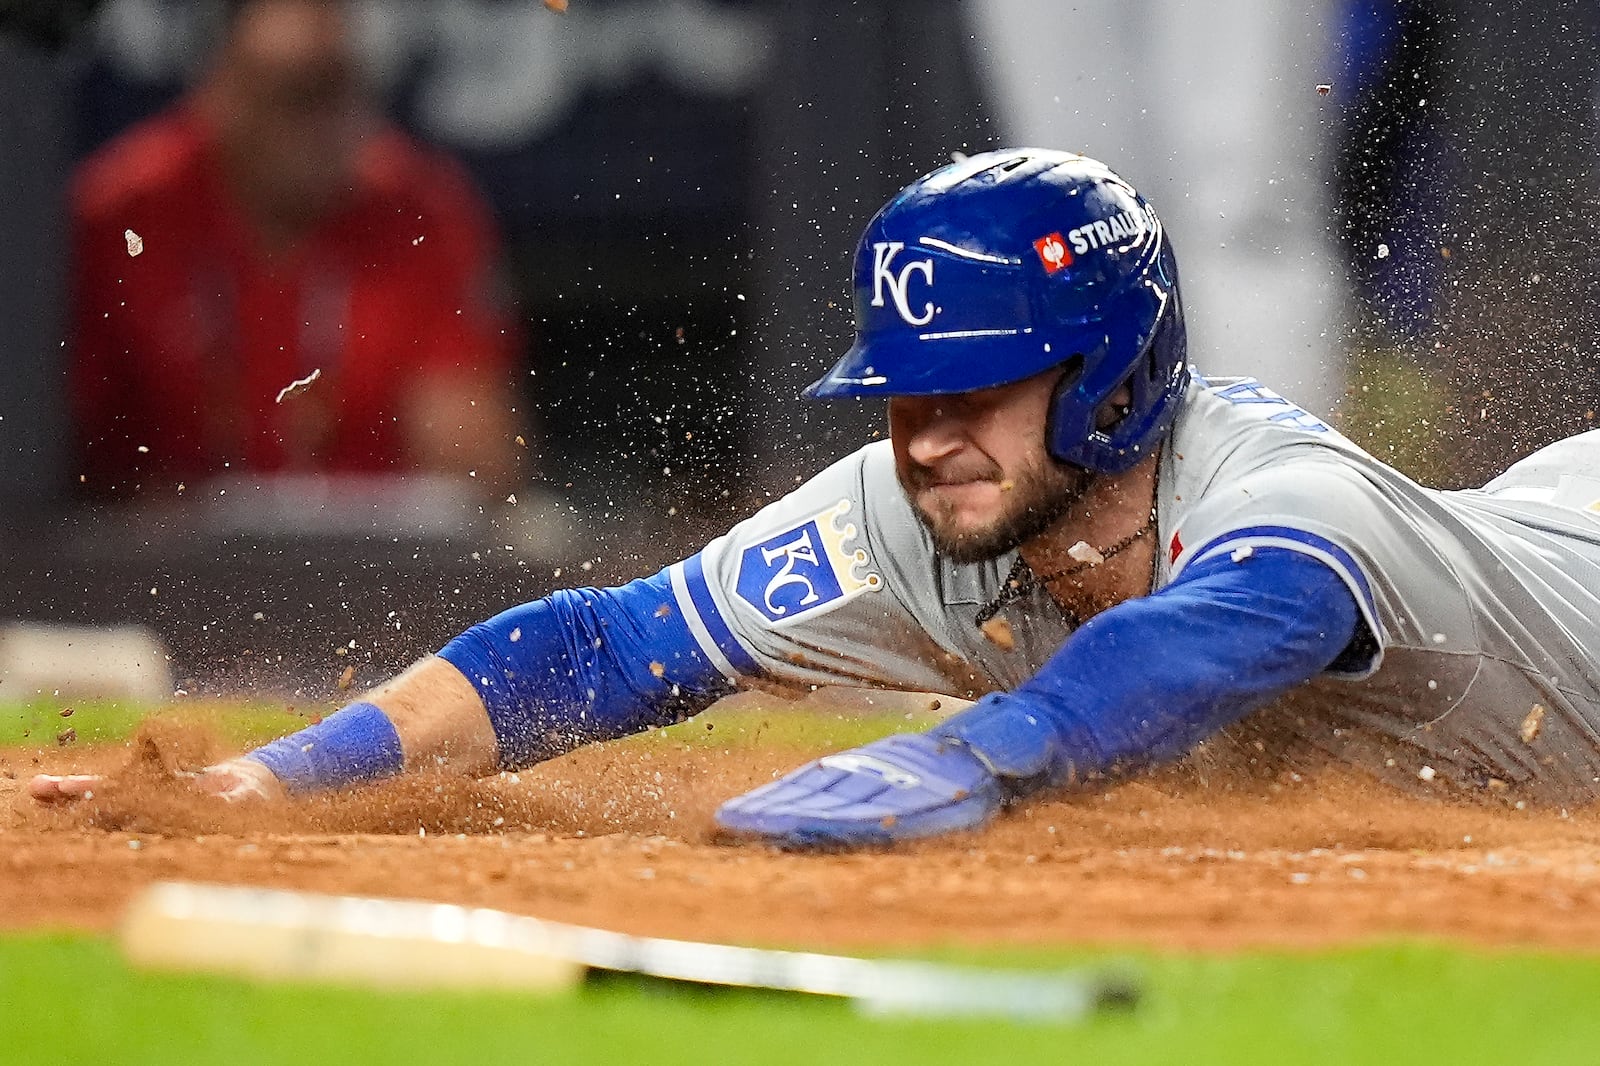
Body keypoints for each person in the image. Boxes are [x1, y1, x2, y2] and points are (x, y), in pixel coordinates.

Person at [34, 148, 1600, 848]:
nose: (923, 437)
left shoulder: (1290, 504)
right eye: (905, 393)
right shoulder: (933, 503)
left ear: (1110, 374)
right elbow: (609, 647)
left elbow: (1215, 637)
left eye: (972, 389)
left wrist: (994, 749)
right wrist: (279, 777)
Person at [69, 0, 522, 496]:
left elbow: (478, 469)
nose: (322, 124)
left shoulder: (421, 212)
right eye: (294, 95)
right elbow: (63, 451)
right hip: (160, 559)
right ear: (219, 92)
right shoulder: (122, 214)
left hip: (371, 559)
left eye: (340, 89)